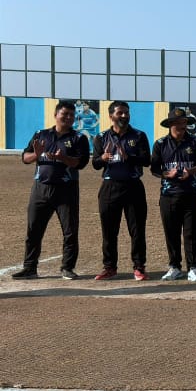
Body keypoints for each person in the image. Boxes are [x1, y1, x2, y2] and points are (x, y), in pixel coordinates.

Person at [12, 100, 90, 280]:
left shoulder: (79, 138)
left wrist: (63, 158)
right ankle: (29, 268)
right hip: (41, 189)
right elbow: (25, 158)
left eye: (72, 115)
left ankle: (67, 268)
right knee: (33, 229)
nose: (68, 117)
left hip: (66, 190)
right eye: (65, 114)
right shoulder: (41, 135)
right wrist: (37, 154)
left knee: (70, 231)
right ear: (56, 115)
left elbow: (81, 163)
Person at [92, 101, 151, 281]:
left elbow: (146, 160)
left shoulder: (139, 135)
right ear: (111, 116)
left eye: (126, 112)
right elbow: (95, 164)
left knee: (137, 230)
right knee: (109, 231)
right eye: (120, 113)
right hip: (110, 187)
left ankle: (139, 267)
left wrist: (129, 157)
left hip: (133, 186)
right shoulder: (101, 137)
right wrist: (102, 158)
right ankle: (109, 267)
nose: (124, 116)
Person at [151, 108, 196, 282]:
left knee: (191, 233)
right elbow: (154, 168)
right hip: (168, 195)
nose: (182, 126)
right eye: (178, 123)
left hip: (191, 194)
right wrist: (168, 174)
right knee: (171, 232)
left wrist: (190, 171)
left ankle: (193, 268)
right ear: (170, 125)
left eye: (184, 122)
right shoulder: (160, 144)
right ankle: (174, 267)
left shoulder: (195, 142)